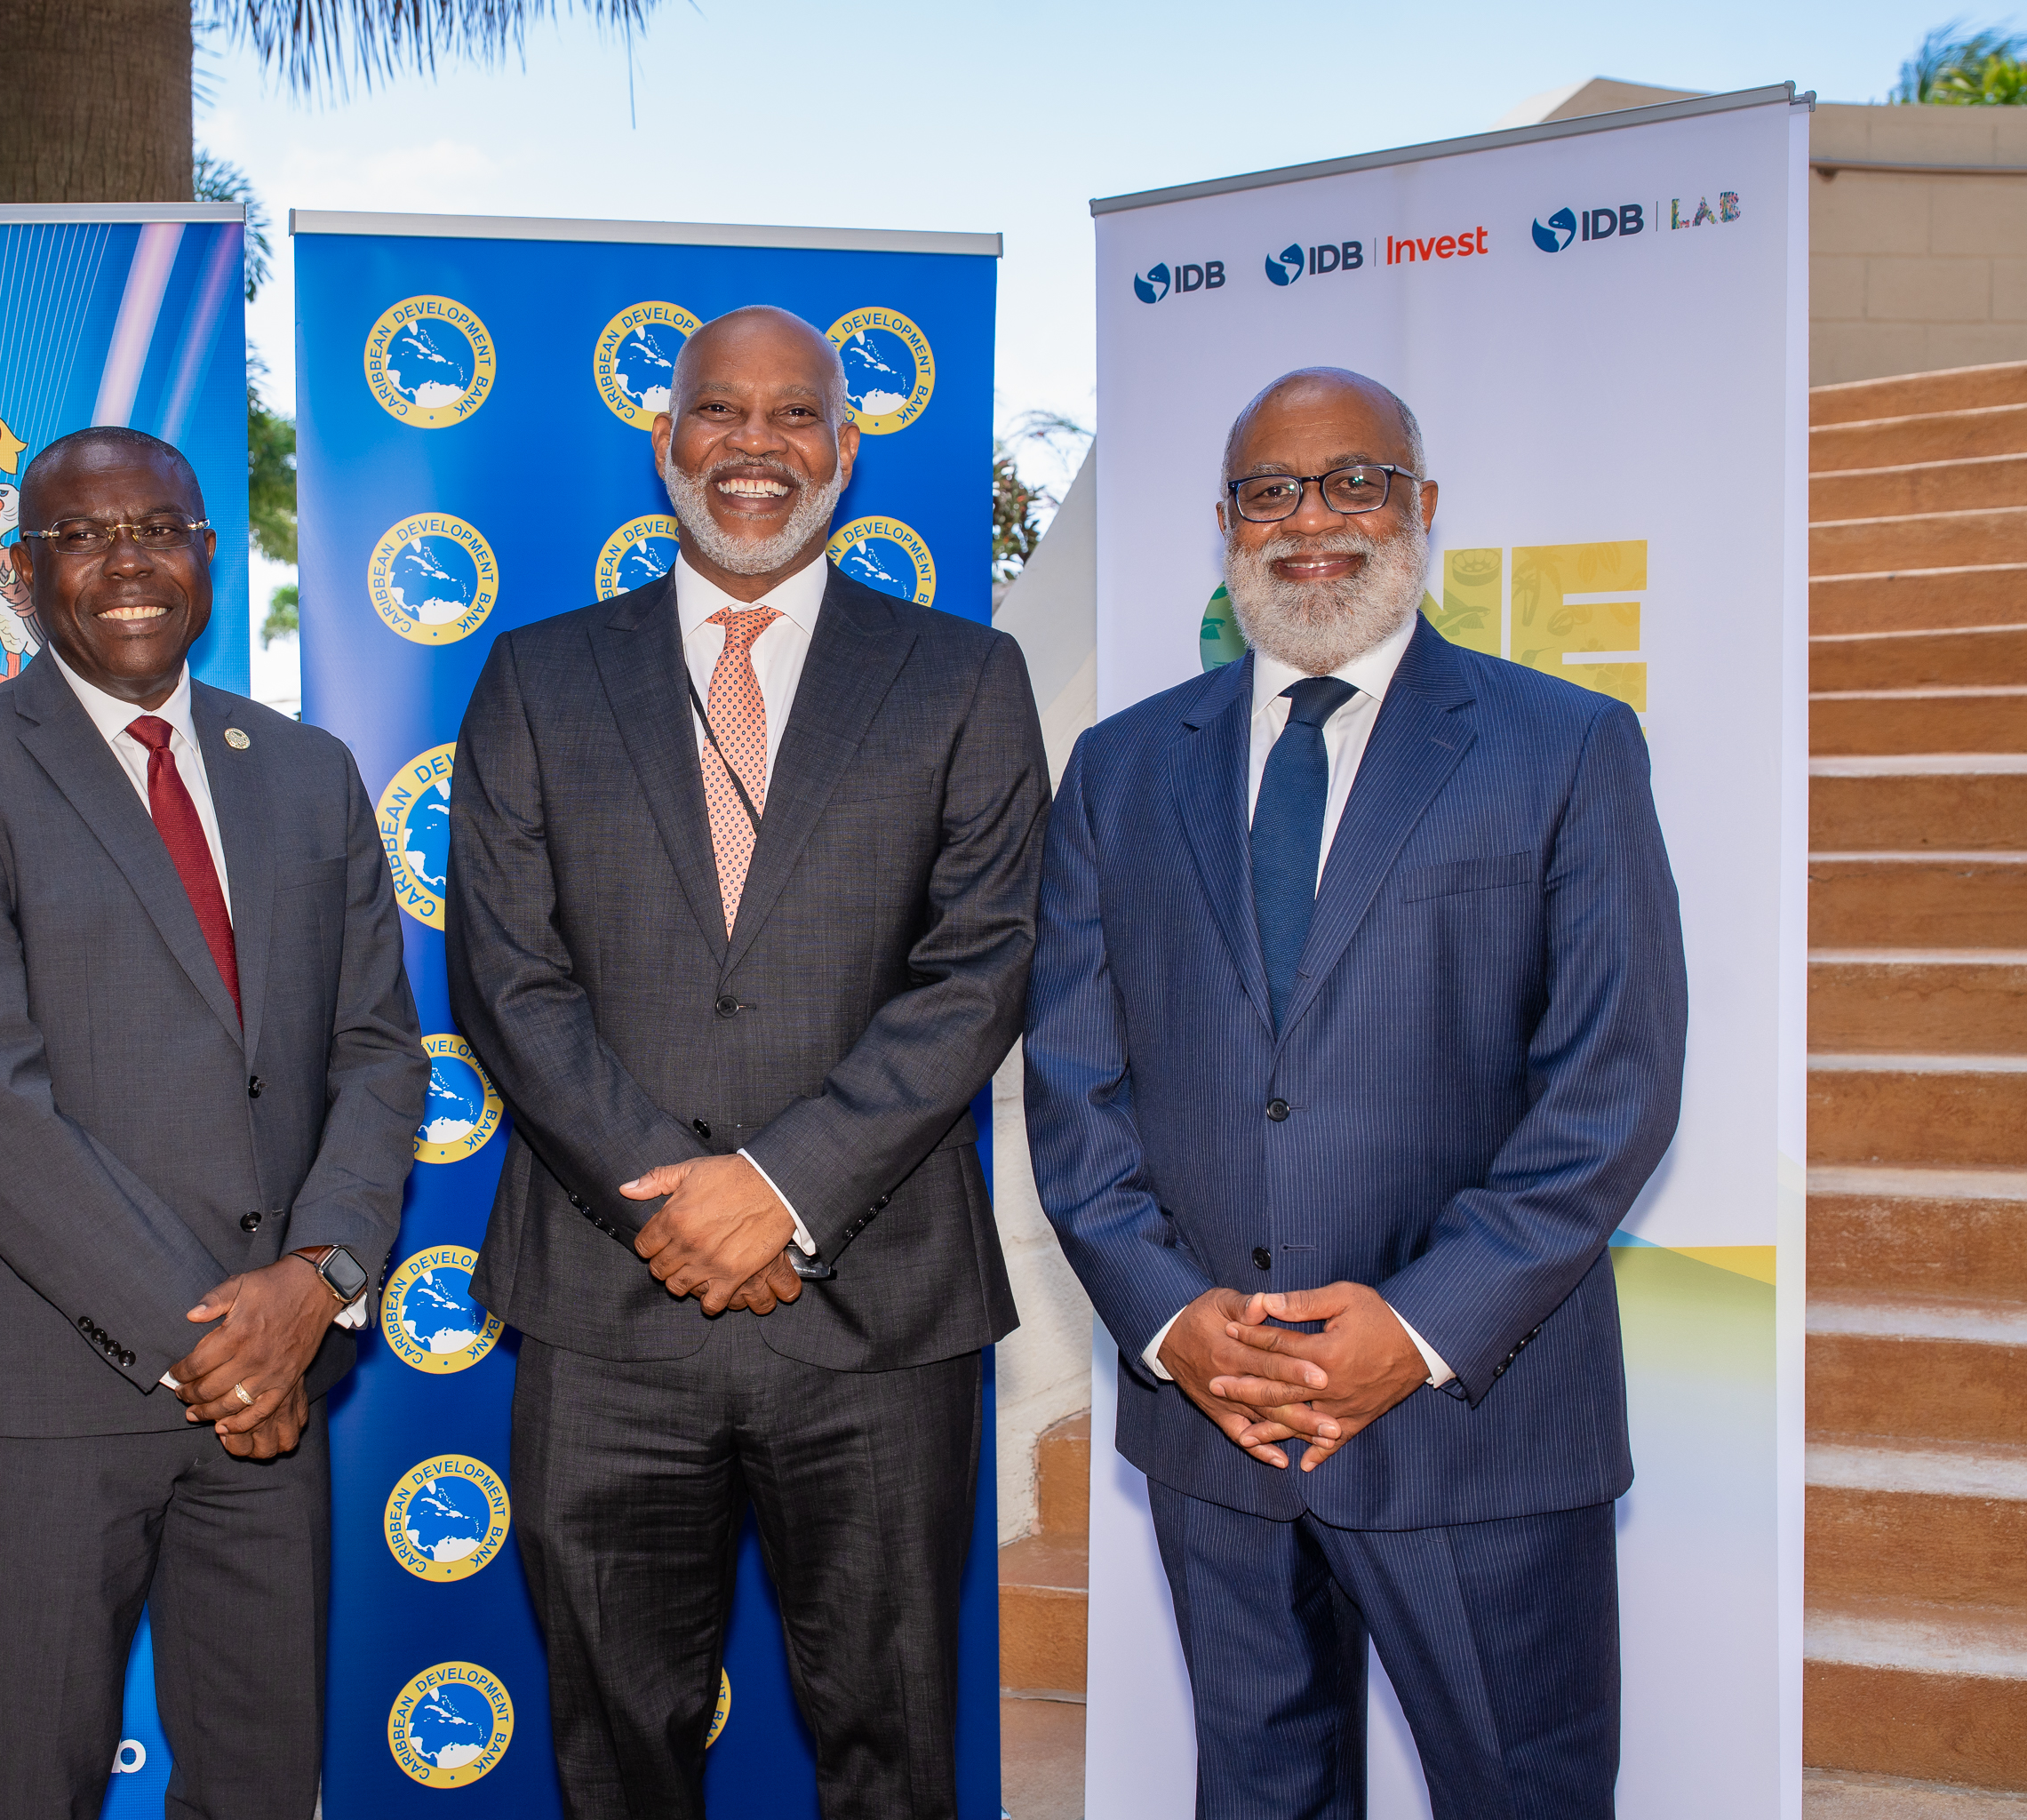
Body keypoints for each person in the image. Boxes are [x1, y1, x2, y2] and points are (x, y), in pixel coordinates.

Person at [1024, 367, 1688, 1815]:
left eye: (1353, 483)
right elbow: (1074, 1083)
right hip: (1218, 1423)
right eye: (1271, 491)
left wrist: (1421, 1327)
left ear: (1420, 505)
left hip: (1477, 1430)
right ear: (1226, 523)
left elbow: (1612, 1085)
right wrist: (1171, 1321)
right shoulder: (1123, 769)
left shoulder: (1565, 746)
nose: (1311, 521)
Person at [446, 305, 1050, 1820]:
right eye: (721, 409)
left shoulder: (964, 679)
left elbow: (981, 969)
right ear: (667, 442)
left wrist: (779, 1190)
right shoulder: (536, 676)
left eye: (795, 414)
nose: (756, 444)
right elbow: (507, 979)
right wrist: (679, 1199)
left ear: (846, 451)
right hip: (606, 1310)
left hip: (878, 1311)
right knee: (615, 1755)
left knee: (892, 1750)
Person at [0, 426, 427, 1818]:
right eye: (83, 535)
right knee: (29, 1789)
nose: (127, 563)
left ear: (206, 555)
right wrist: (222, 1349)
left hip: (277, 1382)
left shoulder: (305, 770)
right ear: (22, 572)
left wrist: (317, 1282)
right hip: (45, 1392)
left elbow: (375, 1052)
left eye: (158, 529)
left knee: (260, 1785)